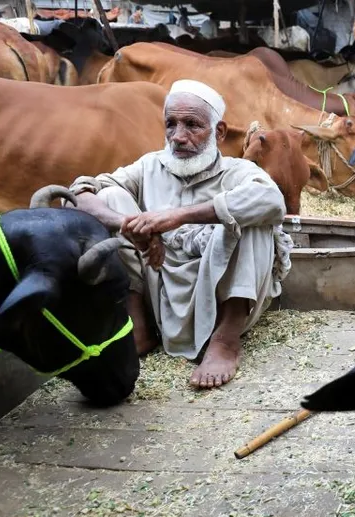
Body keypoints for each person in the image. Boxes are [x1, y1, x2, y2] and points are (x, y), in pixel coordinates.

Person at [69, 80, 291, 389]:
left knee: (253, 216)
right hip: (157, 292)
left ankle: (226, 341)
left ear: (220, 132)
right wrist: (132, 227)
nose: (178, 137)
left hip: (219, 298)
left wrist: (174, 217)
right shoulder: (149, 167)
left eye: (192, 125)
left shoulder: (238, 171)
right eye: (170, 125)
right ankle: (139, 327)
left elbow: (273, 203)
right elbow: (80, 194)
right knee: (109, 198)